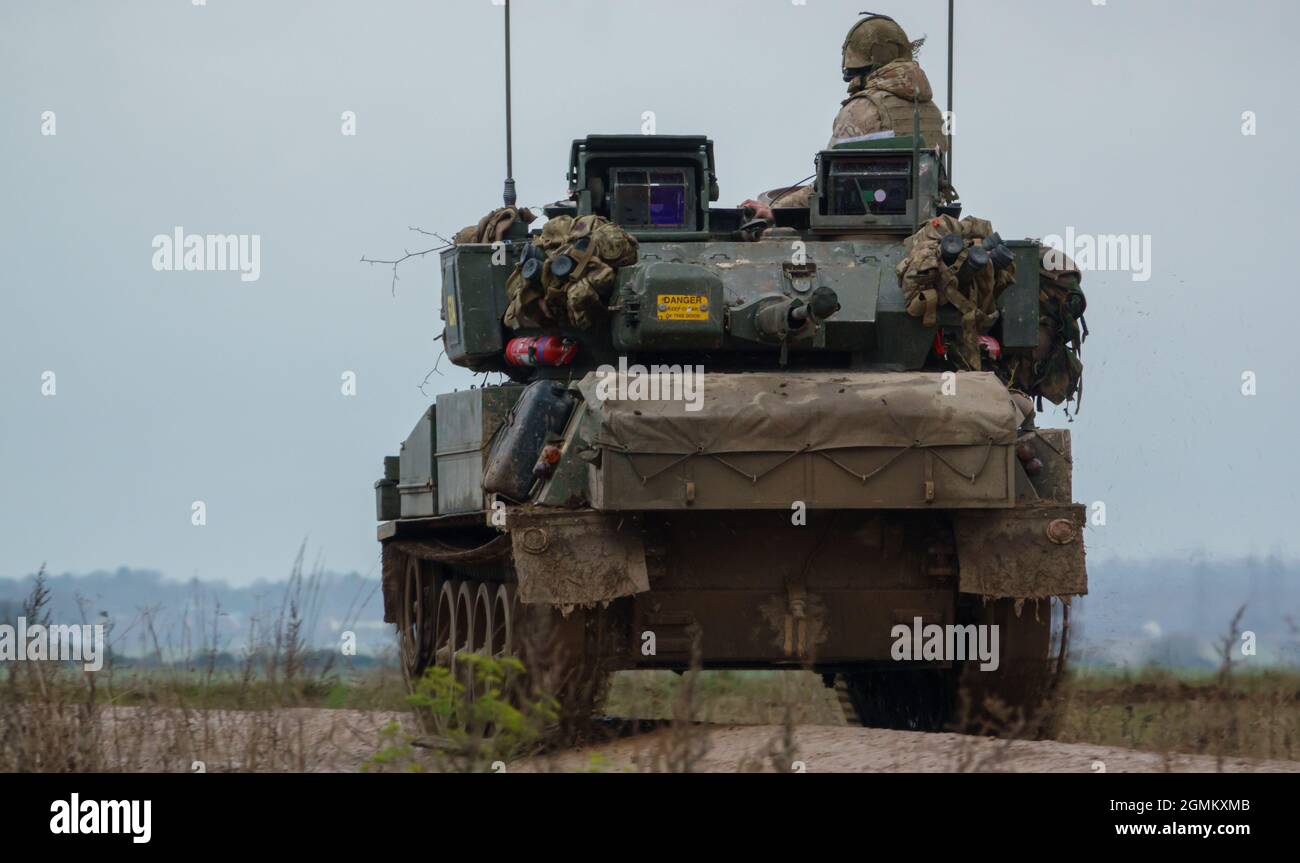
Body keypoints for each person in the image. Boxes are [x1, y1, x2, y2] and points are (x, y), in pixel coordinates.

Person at [742, 13, 950, 217]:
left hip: (866, 228)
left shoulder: (861, 108)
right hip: (928, 229)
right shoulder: (933, 111)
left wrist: (776, 209)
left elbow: (827, 187)